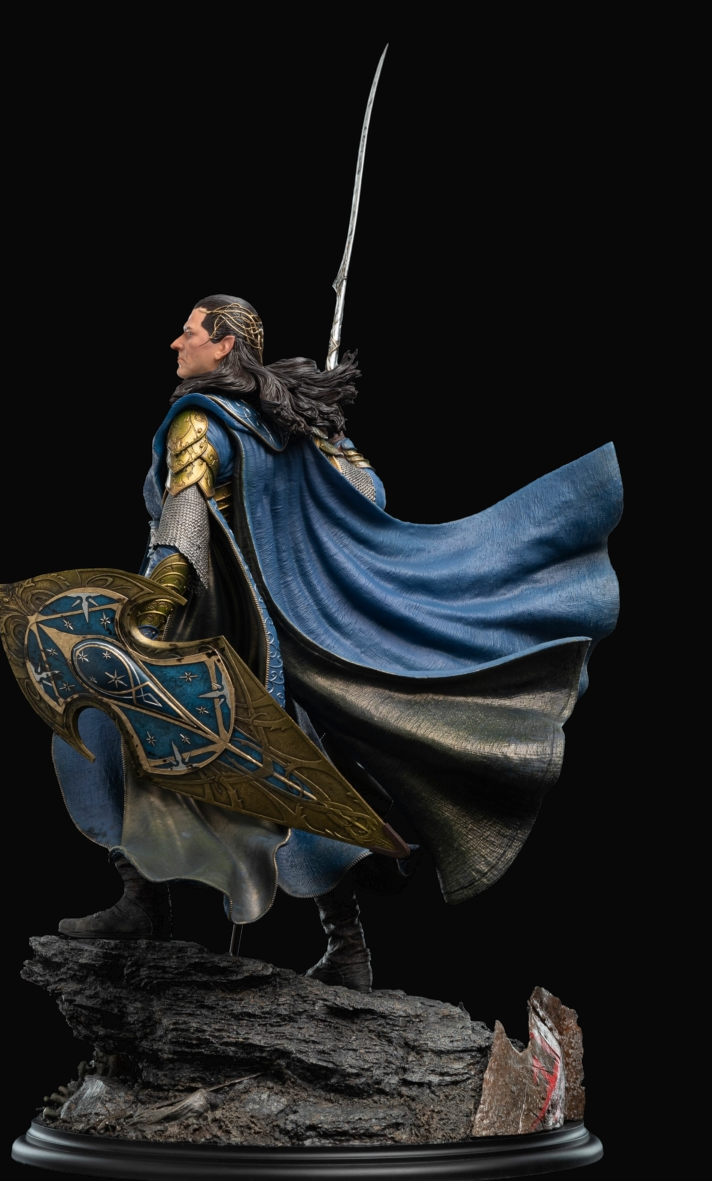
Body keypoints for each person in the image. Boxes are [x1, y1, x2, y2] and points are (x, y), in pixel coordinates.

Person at [51, 295, 622, 992]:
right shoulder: (281, 419)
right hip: (277, 628)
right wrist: (326, 440)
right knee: (298, 767)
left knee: (113, 721)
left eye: (190, 331)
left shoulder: (200, 422)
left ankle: (151, 902)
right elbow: (369, 491)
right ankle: (337, 941)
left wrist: (154, 606)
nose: (177, 343)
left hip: (213, 624)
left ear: (225, 345)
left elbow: (185, 521)